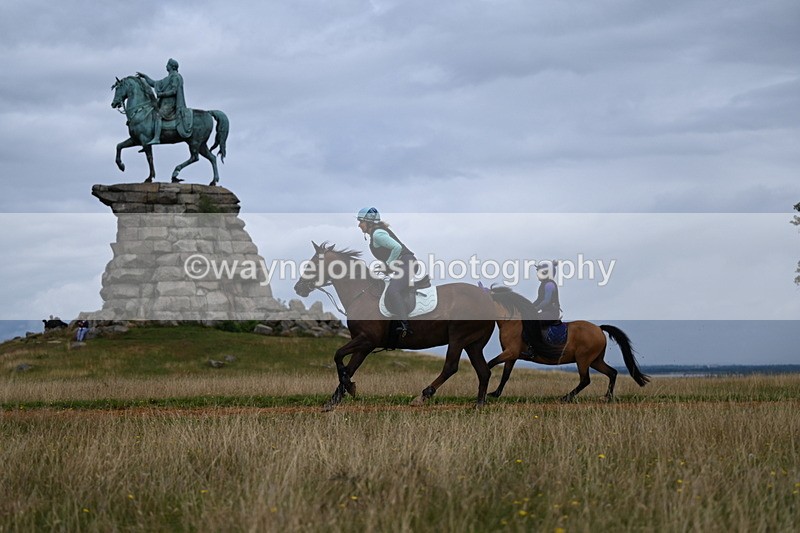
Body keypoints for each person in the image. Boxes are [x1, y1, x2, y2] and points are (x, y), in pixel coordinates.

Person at [357, 207, 417, 337]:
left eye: (360, 221)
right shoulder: (376, 234)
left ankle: (405, 326)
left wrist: (388, 264)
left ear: (368, 222)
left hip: (408, 264)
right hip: (402, 265)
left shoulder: (378, 234)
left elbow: (397, 247)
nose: (359, 225)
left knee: (392, 291)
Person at [136, 58, 193, 144]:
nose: (166, 66)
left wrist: (162, 94)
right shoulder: (168, 78)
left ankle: (157, 138)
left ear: (171, 66)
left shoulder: (175, 77)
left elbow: (174, 91)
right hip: (164, 103)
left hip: (171, 104)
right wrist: (145, 77)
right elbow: (154, 83)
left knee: (158, 115)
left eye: (167, 64)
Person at [531, 260, 561, 327]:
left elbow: (546, 301)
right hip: (546, 312)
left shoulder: (549, 285)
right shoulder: (543, 284)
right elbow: (539, 299)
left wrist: (536, 309)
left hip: (551, 313)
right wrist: (529, 307)